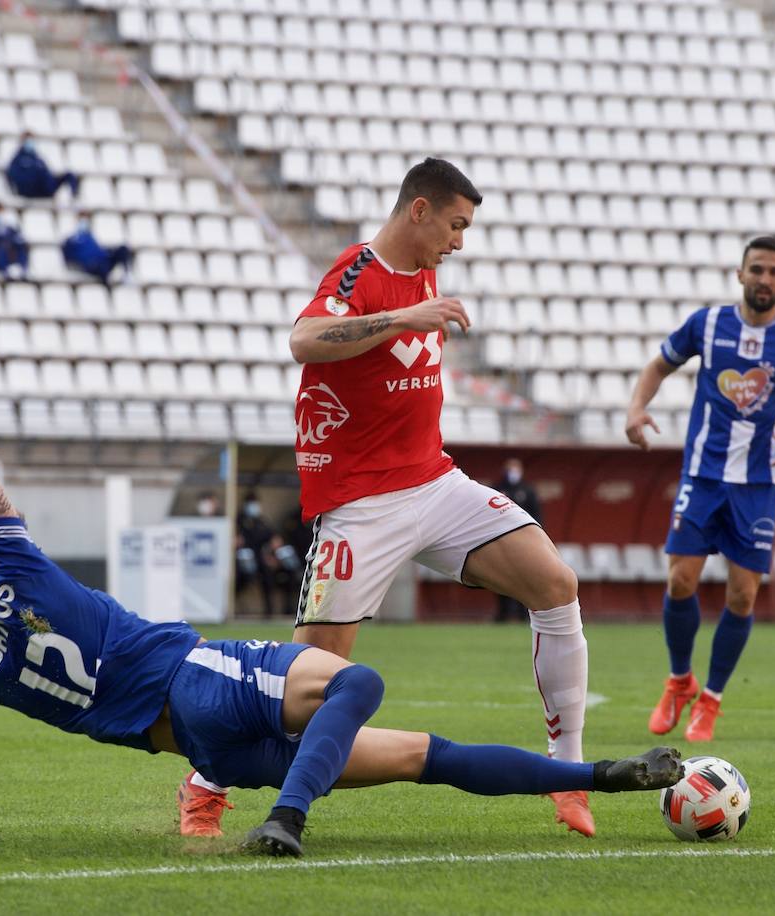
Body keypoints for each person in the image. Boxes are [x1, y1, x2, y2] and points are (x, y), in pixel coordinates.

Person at [0, 324, 684, 857]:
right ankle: (289, 818)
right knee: (360, 689)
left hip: (200, 739)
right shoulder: (21, 567)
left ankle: (601, 778)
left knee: (418, 754)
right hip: (205, 678)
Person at [176, 158, 596, 839]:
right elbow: (304, 339)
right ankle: (206, 782)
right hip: (360, 507)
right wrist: (404, 317)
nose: (459, 241)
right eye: (455, 225)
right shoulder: (356, 272)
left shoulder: (424, 269)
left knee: (555, 582)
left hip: (434, 484)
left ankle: (570, 776)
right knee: (309, 682)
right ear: (419, 212)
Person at [625, 236, 775, 743]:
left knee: (742, 595)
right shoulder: (707, 323)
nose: (765, 279)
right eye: (757, 269)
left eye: (774, 272)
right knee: (680, 580)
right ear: (739, 275)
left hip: (760, 483)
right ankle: (679, 681)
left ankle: (712, 700)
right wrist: (635, 409)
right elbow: (658, 365)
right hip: (703, 474)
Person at [492, 458, 544, 622]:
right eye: (509, 468)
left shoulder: (528, 491)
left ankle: (524, 615)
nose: (512, 472)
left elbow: (537, 516)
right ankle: (503, 614)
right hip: (501, 542)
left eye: (515, 468)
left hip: (524, 543)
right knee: (502, 579)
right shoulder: (497, 489)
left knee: (525, 578)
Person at [235, 494, 282, 619]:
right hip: (242, 558)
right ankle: (233, 609)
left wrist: (272, 554)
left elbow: (274, 539)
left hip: (260, 557)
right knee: (241, 578)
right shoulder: (239, 520)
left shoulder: (261, 520)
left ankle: (269, 612)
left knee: (269, 576)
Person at [62, 211, 133, 284]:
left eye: (86, 220)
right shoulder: (71, 241)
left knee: (123, 250)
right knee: (102, 269)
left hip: (103, 261)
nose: (84, 223)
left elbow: (99, 251)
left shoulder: (89, 236)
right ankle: (108, 289)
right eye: (82, 220)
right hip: (92, 266)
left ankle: (127, 276)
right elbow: (70, 258)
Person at [6, 132, 79, 200]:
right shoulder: (19, 158)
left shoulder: (37, 158)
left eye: (31, 140)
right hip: (31, 190)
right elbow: (13, 174)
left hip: (46, 187)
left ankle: (74, 196)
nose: (30, 143)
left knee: (69, 175)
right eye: (27, 140)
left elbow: (46, 172)